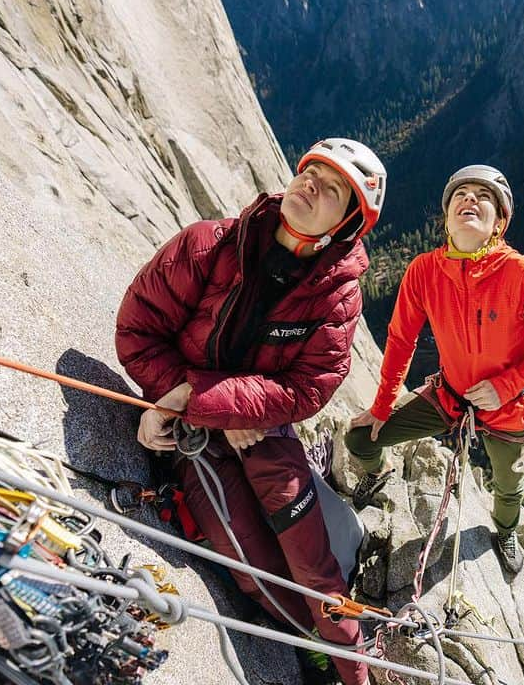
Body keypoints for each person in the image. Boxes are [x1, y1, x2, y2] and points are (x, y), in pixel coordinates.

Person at [115, 138, 386, 685]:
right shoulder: (207, 247)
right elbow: (136, 334)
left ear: (349, 222)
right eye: (310, 172)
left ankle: (359, 671)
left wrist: (215, 401)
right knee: (252, 561)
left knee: (315, 564)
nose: (309, 184)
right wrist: (194, 402)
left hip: (262, 427)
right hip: (196, 434)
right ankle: (313, 645)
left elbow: (310, 388)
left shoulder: (337, 295)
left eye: (332, 188)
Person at [346, 165, 524, 574]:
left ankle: (505, 532)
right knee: (362, 437)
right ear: (447, 216)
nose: (470, 199)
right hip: (450, 396)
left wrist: (506, 385)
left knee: (508, 488)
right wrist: (382, 406)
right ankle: (378, 473)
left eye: (482, 196)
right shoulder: (425, 270)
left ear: (498, 223)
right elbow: (401, 339)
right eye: (461, 195)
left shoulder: (523, 274)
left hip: (510, 407)